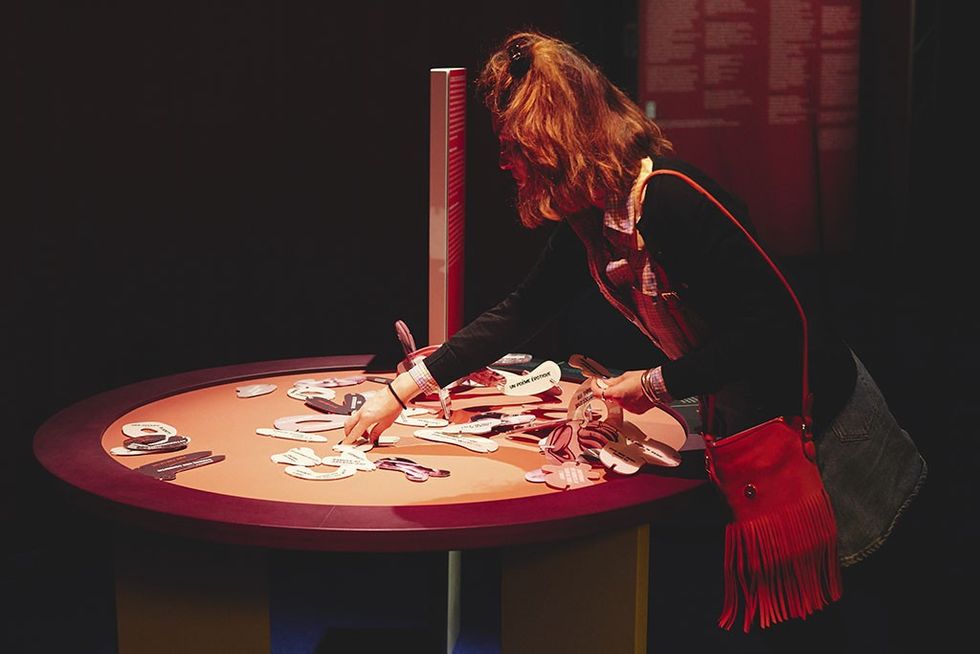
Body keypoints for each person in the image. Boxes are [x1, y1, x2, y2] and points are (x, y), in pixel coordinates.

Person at [344, 30, 927, 646]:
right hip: (759, 427)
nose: (503, 162)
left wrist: (652, 385)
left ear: (551, 139)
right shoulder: (592, 217)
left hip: (829, 432)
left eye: (511, 144)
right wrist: (403, 390)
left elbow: (777, 329)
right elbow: (521, 312)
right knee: (808, 624)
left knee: (859, 617)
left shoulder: (670, 198)